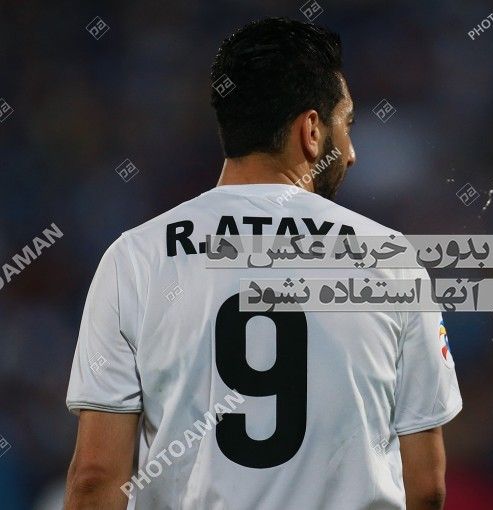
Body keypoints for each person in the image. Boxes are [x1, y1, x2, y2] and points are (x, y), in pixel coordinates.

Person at [63, 17, 461, 510]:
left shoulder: (136, 258)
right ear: (311, 130)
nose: (352, 153)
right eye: (347, 125)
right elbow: (426, 486)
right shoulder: (389, 260)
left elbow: (95, 479)